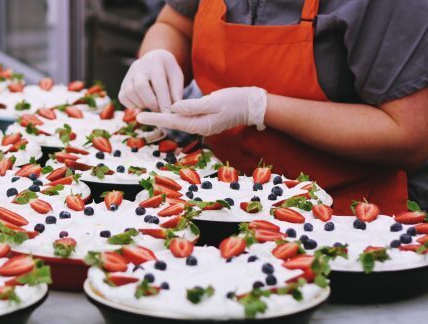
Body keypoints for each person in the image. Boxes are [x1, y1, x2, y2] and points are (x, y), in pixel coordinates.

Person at [119, 0, 428, 214]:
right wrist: (157, 58)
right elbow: (175, 24)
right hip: (214, 198)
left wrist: (259, 108)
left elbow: (407, 136)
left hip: (346, 218)